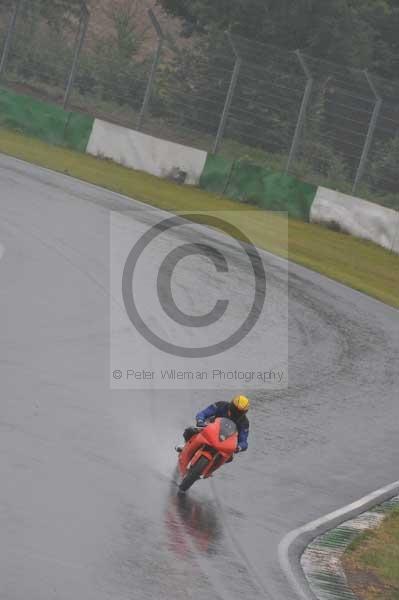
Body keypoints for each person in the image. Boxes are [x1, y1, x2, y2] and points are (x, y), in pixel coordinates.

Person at [175, 395, 250, 453]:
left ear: (244, 412)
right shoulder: (221, 405)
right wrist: (200, 421)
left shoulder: (244, 422)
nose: (236, 412)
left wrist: (239, 447)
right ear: (232, 405)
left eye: (239, 411)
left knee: (230, 458)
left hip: (226, 441)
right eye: (235, 409)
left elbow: (244, 441)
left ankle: (210, 469)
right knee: (190, 430)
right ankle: (185, 446)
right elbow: (204, 413)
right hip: (210, 429)